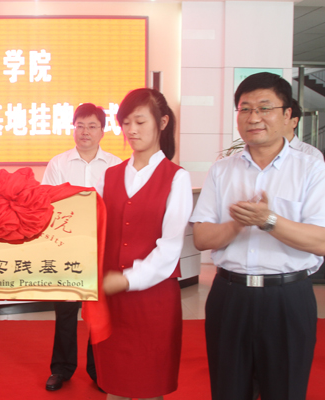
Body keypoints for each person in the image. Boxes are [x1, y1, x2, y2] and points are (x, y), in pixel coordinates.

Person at [190, 72, 325, 400]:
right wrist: (237, 224)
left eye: (265, 108)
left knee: (285, 390)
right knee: (228, 390)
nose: (253, 118)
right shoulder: (222, 170)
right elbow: (202, 238)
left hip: (287, 298)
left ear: (288, 115)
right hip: (230, 295)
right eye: (245, 109)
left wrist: (268, 220)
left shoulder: (310, 167)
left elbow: (320, 240)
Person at [93, 88, 192, 400]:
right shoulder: (109, 175)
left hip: (153, 302)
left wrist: (126, 280)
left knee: (149, 387)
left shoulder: (176, 177)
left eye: (140, 121)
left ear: (162, 122)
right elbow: (96, 232)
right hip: (112, 300)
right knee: (114, 387)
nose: (131, 130)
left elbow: (170, 248)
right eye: (126, 123)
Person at [41, 103, 122, 391]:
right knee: (65, 311)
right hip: (66, 248)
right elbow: (46, 203)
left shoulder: (115, 165)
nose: (85, 132)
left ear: (102, 131)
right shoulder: (58, 163)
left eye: (92, 126)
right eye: (80, 126)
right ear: (73, 128)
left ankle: (98, 369)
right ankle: (61, 369)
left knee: (98, 311)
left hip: (101, 248)